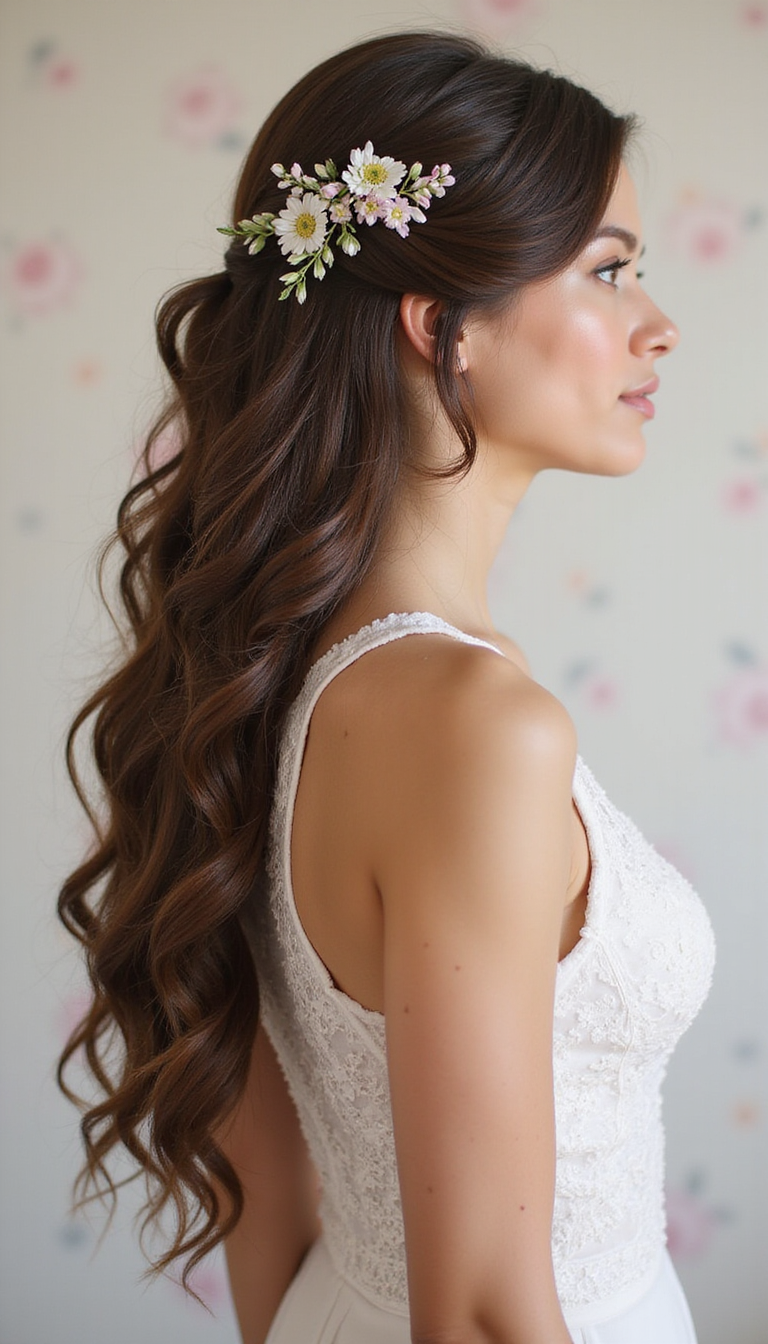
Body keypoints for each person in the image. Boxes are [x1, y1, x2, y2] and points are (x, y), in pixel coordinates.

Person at [57, 30, 716, 1344]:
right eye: (609, 271)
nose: (661, 322)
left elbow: (271, 1199)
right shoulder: (472, 729)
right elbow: (476, 1312)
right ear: (445, 327)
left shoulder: (267, 669)